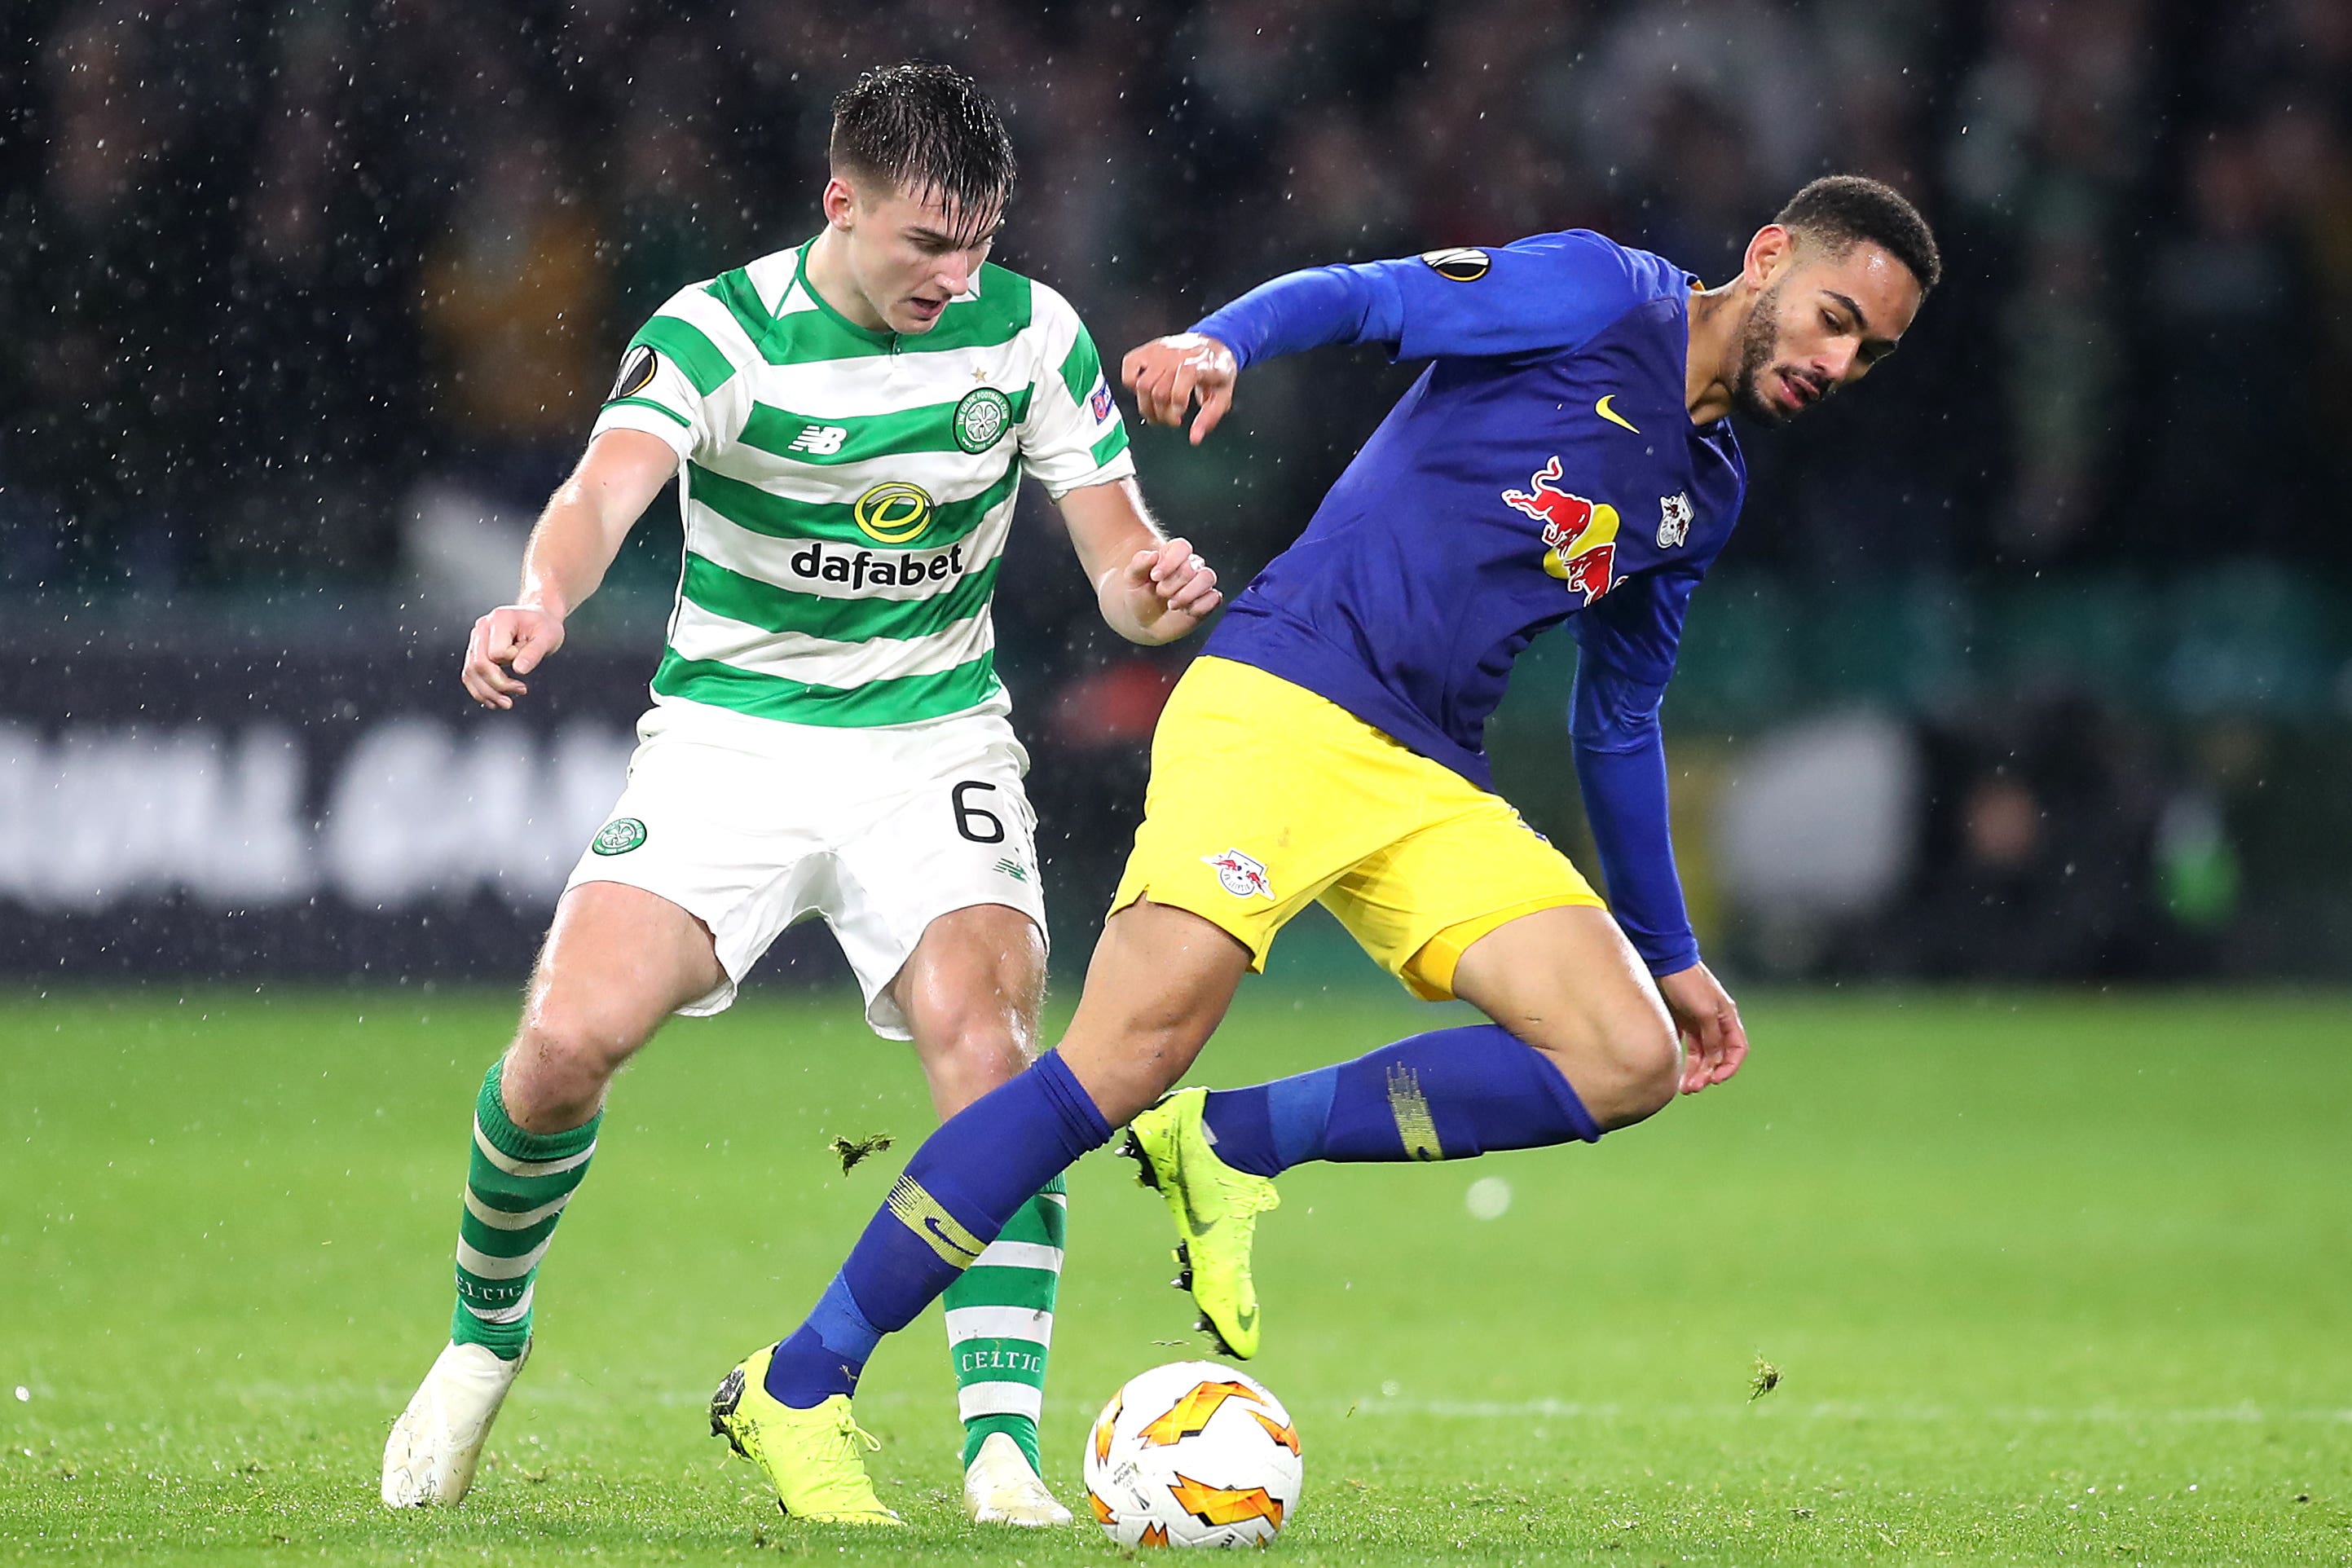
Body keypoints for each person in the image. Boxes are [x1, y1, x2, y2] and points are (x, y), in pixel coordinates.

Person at [710, 175, 1940, 1522]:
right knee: (1120, 1056)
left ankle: (1233, 1141)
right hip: (1285, 699)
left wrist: (1672, 952)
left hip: (1426, 774)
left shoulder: (1703, 490)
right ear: (1764, 256)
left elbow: (1619, 720)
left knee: (1625, 1054)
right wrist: (1221, 342)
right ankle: (800, 1381)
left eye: (1869, 353)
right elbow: (1368, 296)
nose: (1836, 362)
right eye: (1830, 319)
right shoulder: (1600, 293)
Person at [378, 63, 1221, 1528]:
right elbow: (598, 494)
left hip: (933, 744)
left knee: (991, 1050)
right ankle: (480, 1339)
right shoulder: (716, 332)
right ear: (841, 204)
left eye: (976, 244)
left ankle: (1002, 1447)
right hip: (732, 744)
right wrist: (537, 601)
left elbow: (1117, 564)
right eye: (920, 245)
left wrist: (1158, 594)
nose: (952, 279)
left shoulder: (1030, 337)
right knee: (565, 1047)